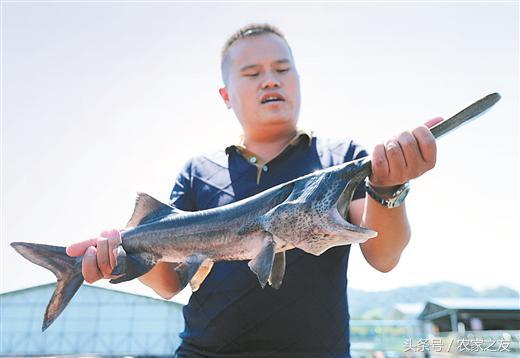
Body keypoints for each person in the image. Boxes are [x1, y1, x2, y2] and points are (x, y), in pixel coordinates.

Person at [67, 24, 441, 357]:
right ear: (225, 95)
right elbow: (168, 282)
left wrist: (388, 188)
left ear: (298, 78)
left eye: (282, 69)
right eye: (251, 73)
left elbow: (384, 255)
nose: (270, 80)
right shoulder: (199, 172)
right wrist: (121, 258)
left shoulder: (340, 159)